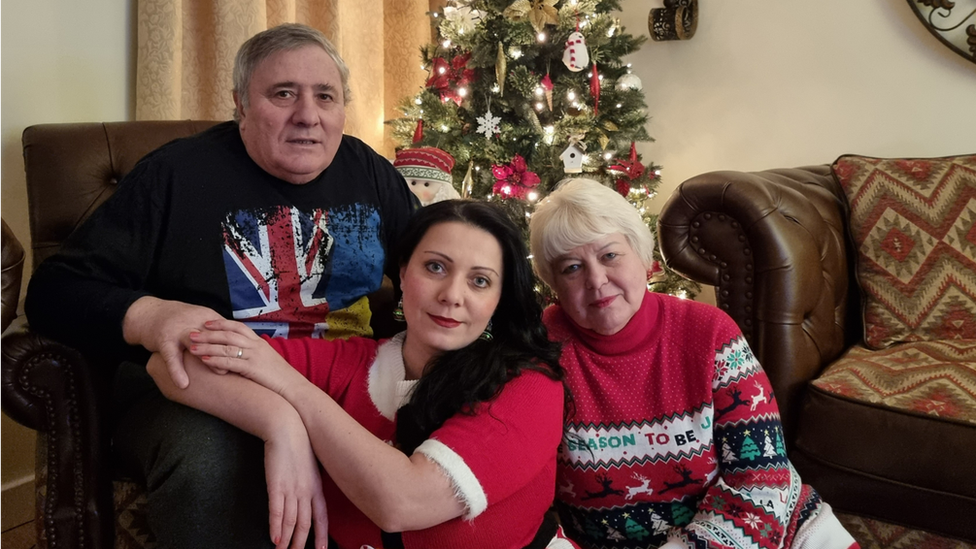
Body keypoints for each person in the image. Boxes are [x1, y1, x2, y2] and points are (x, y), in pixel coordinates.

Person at [25, 23, 418, 549]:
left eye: (326, 96)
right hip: (200, 392)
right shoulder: (173, 176)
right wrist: (150, 315)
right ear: (240, 104)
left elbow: (429, 267)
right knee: (211, 457)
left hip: (344, 378)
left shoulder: (367, 171)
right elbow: (53, 292)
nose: (308, 115)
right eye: (283, 94)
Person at [148, 199, 579, 549]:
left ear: (499, 301)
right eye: (435, 267)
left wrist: (291, 389)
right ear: (403, 273)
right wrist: (278, 423)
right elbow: (174, 361)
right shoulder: (351, 363)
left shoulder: (528, 384)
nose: (452, 296)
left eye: (480, 281)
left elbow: (402, 502)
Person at [528, 179, 858, 549]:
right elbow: (519, 497)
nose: (596, 280)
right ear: (552, 283)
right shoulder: (538, 349)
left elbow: (761, 479)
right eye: (572, 267)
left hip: (753, 529)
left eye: (609, 255)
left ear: (641, 256)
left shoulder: (710, 333)